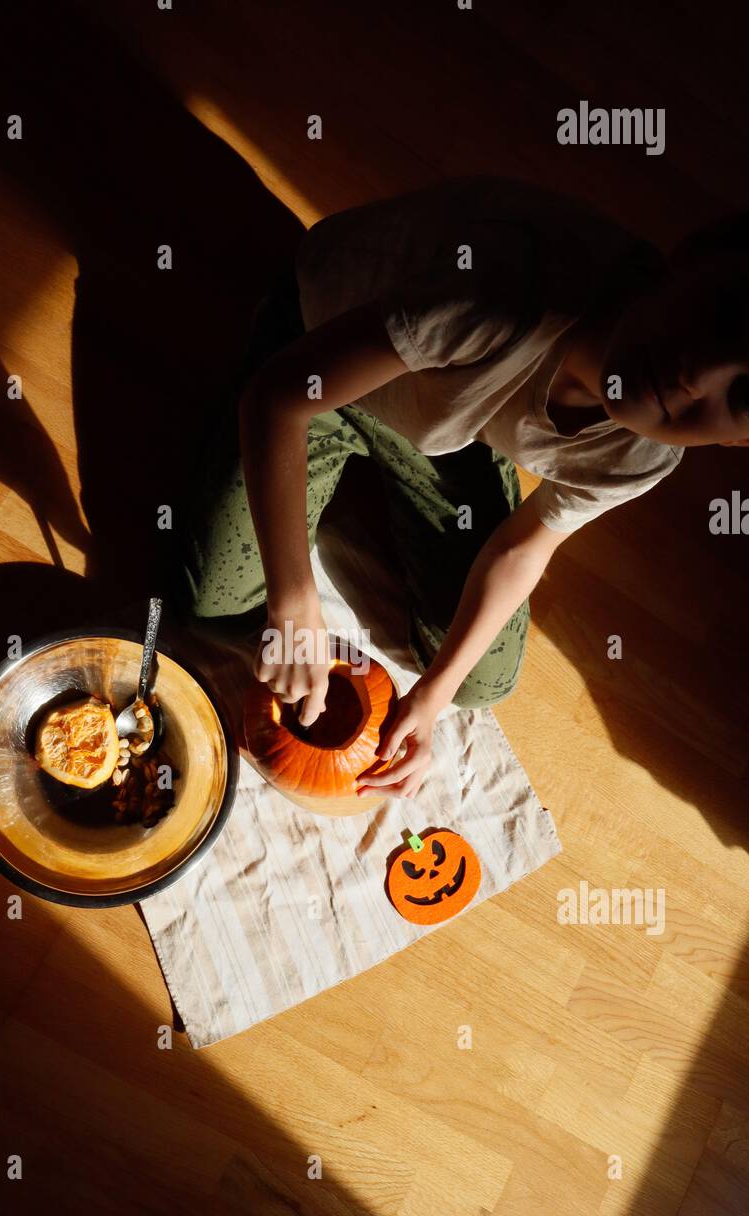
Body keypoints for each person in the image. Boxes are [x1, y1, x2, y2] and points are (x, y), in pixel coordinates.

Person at [177, 175, 749, 800]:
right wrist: (294, 604)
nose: (699, 375)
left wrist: (433, 695)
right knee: (212, 605)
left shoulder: (645, 452)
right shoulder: (503, 294)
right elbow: (281, 398)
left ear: (740, 444)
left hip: (444, 418)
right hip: (320, 353)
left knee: (482, 682)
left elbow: (524, 549)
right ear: (695, 259)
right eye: (730, 314)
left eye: (746, 395)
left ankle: (411, 459)